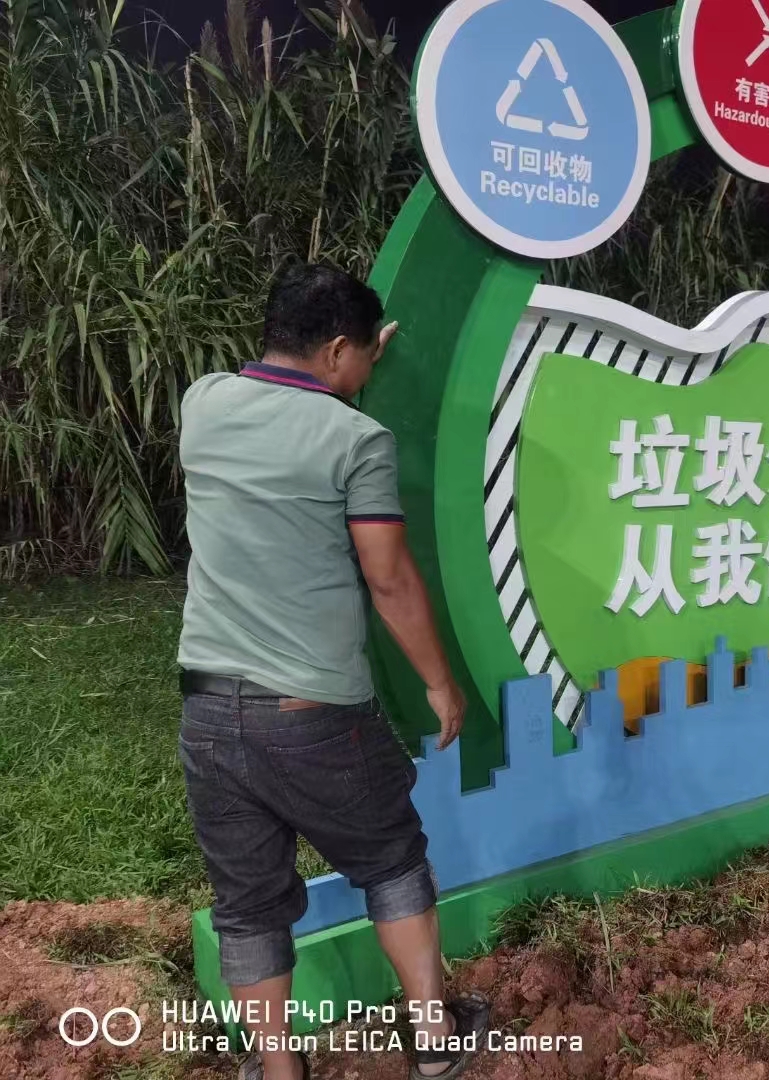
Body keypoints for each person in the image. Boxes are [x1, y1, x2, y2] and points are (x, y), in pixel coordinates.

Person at [177, 264, 486, 1080]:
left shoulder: (201, 405)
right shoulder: (357, 441)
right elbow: (388, 577)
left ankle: (277, 1072)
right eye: (366, 358)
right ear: (342, 350)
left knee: (246, 904)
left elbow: (287, 418)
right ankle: (433, 1038)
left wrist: (339, 381)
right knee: (391, 858)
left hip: (208, 717)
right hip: (315, 713)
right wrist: (438, 681)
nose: (371, 371)